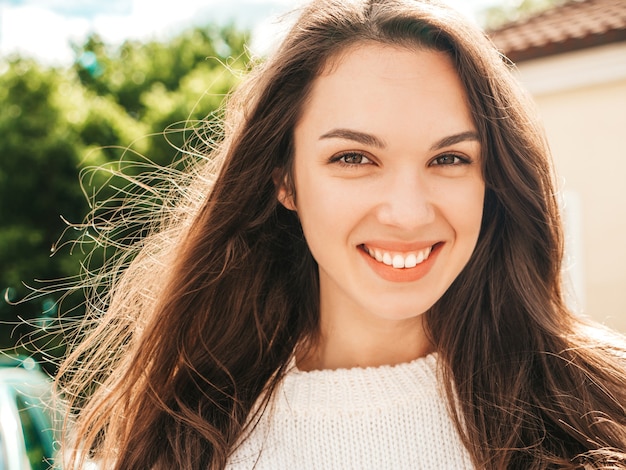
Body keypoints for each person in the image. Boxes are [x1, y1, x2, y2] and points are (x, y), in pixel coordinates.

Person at [58, 0, 626, 468]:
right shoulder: (178, 441)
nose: (407, 213)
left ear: (492, 180)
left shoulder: (602, 413)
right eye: (354, 157)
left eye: (450, 158)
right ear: (285, 180)